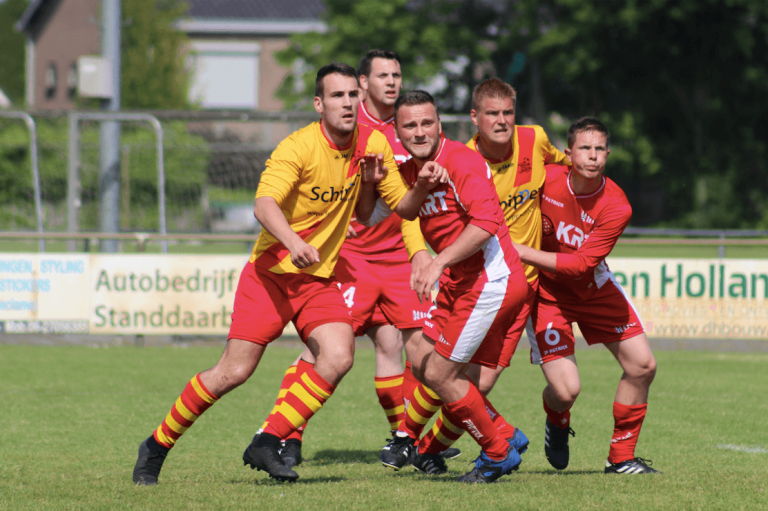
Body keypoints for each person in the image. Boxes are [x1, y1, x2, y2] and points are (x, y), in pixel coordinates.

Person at [131, 63, 447, 485]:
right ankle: (156, 445)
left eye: (353, 95)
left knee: (338, 356)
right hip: (271, 276)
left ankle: (268, 440)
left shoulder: (373, 143)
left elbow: (387, 211)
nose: (348, 103)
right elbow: (264, 205)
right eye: (337, 96)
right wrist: (294, 242)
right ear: (319, 104)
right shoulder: (297, 148)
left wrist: (420, 185)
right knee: (232, 373)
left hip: (317, 280)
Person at [246, 50, 456, 470]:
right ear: (363, 84)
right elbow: (361, 211)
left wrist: (418, 253)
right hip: (352, 260)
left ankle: (405, 441)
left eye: (397, 74)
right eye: (383, 75)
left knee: (418, 351)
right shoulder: (353, 130)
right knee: (323, 353)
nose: (393, 82)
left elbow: (406, 205)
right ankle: (285, 436)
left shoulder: (410, 129)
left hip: (397, 259)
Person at [361, 90, 529, 483]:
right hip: (463, 284)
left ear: (440, 124)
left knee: (439, 373)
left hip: (490, 281)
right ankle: (503, 434)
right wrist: (386, 183)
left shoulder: (462, 160)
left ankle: (497, 452)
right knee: (425, 363)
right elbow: (379, 213)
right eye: (410, 125)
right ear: (397, 133)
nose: (419, 132)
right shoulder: (409, 170)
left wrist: (436, 262)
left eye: (427, 123)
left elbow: (486, 223)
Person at [414, 77, 569, 458]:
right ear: (474, 118)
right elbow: (419, 212)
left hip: (535, 283)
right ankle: (428, 446)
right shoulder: (462, 160)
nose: (502, 121)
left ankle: (425, 448)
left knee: (557, 390)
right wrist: (422, 253)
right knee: (445, 372)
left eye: (508, 113)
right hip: (490, 281)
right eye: (492, 114)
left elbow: (566, 170)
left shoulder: (534, 138)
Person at [513, 117, 660, 474]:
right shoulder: (544, 178)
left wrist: (518, 250)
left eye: (599, 150)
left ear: (607, 154)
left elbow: (580, 265)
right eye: (584, 148)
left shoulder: (617, 205)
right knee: (565, 392)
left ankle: (621, 459)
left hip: (595, 288)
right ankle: (557, 421)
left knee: (643, 366)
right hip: (547, 294)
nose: (592, 156)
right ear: (567, 153)